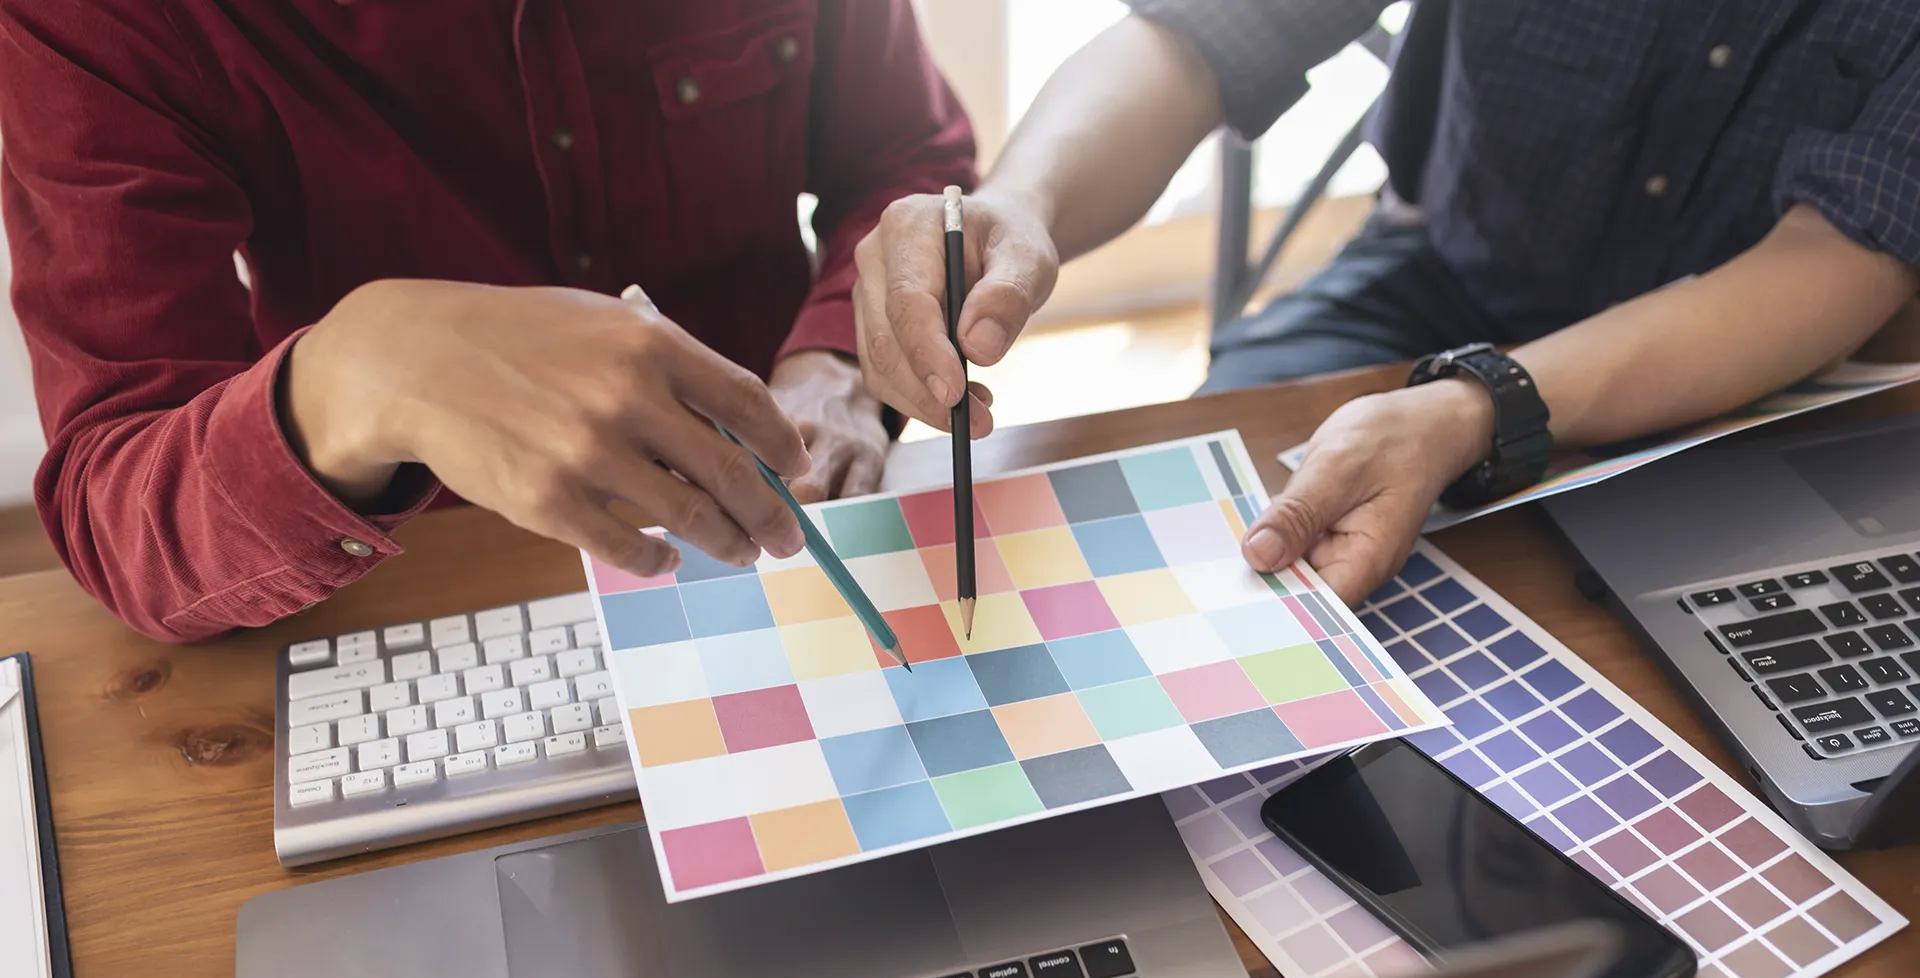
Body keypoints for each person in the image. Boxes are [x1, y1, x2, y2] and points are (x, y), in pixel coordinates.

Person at [853, 0, 1920, 604]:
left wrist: (1473, 406)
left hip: (1769, 380)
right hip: (1439, 281)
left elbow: (1843, 250)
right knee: (1222, 552)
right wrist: (1020, 201)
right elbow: (1197, 36)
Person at [0, 1, 976, 641]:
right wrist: (350, 378)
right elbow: (115, 495)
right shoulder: (95, 18)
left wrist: (837, 361)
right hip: (424, 597)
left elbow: (907, 155)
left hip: (789, 539)